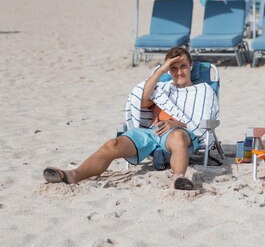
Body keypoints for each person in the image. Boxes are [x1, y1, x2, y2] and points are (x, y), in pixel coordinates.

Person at [43, 47, 219, 191]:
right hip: (150, 133)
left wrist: (175, 124)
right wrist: (161, 71)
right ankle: (73, 175)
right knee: (112, 145)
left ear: (191, 66)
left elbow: (200, 123)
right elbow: (141, 100)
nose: (179, 72)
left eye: (183, 66)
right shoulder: (162, 89)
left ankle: (177, 179)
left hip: (177, 133)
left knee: (179, 137)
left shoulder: (203, 90)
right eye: (173, 68)